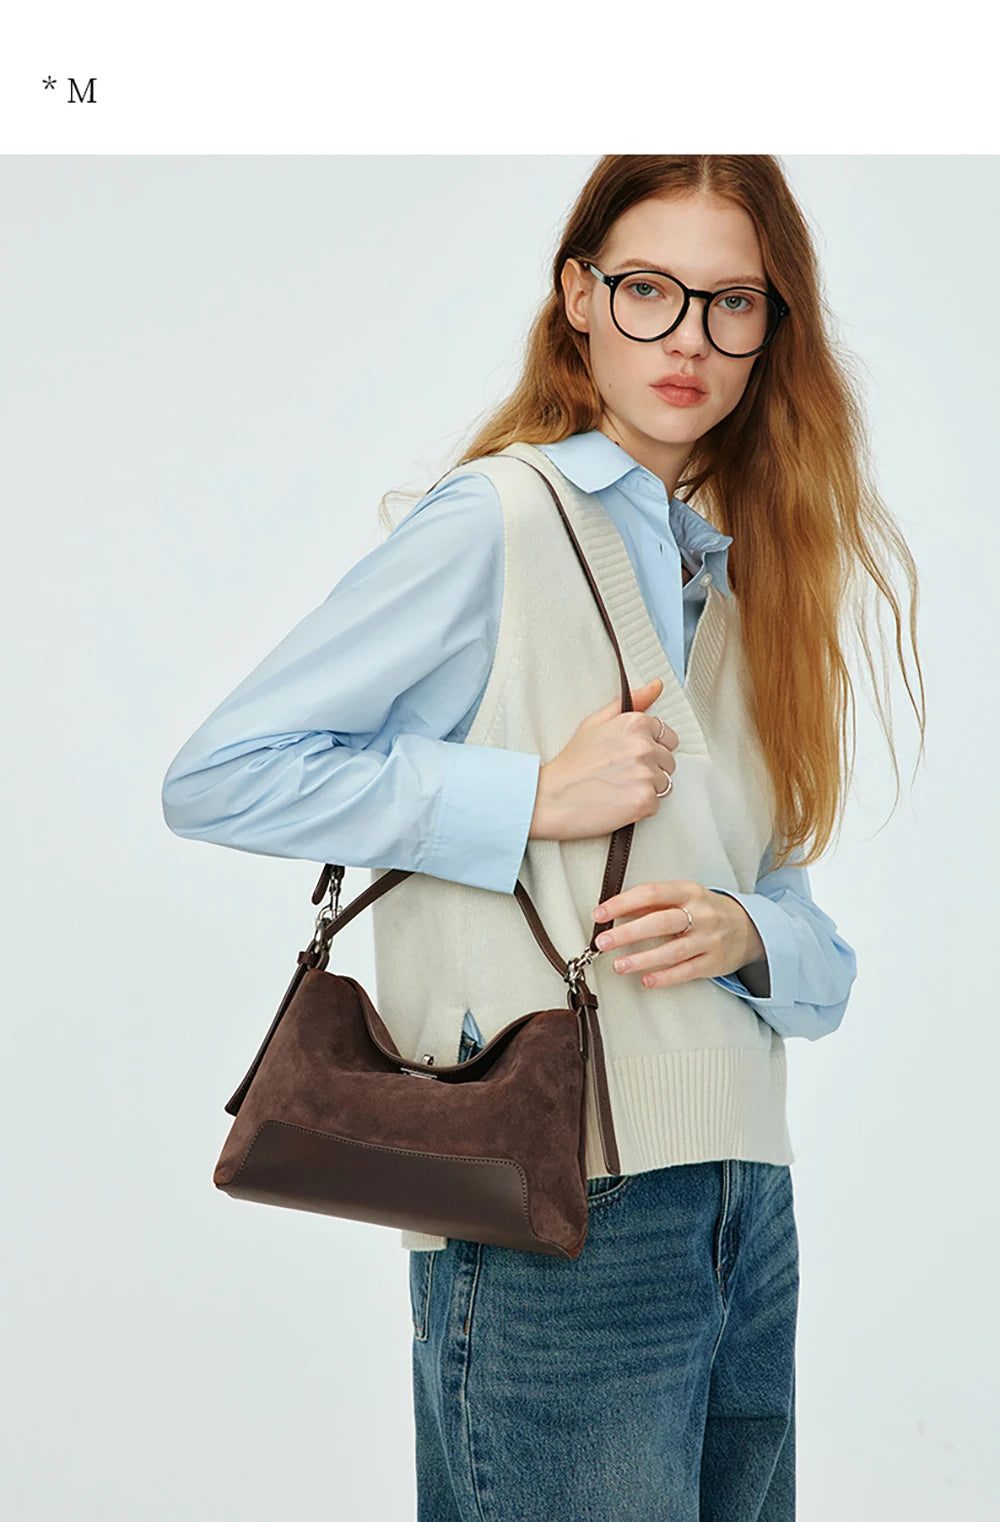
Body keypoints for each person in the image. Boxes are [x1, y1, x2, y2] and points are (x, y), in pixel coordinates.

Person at [161, 155, 925, 1521]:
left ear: (772, 328)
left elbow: (818, 954)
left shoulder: (746, 579)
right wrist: (527, 798)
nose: (689, 337)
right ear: (579, 297)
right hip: (550, 1200)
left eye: (732, 301)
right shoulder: (500, 522)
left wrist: (749, 932)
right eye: (647, 290)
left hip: (744, 1203)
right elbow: (222, 775)